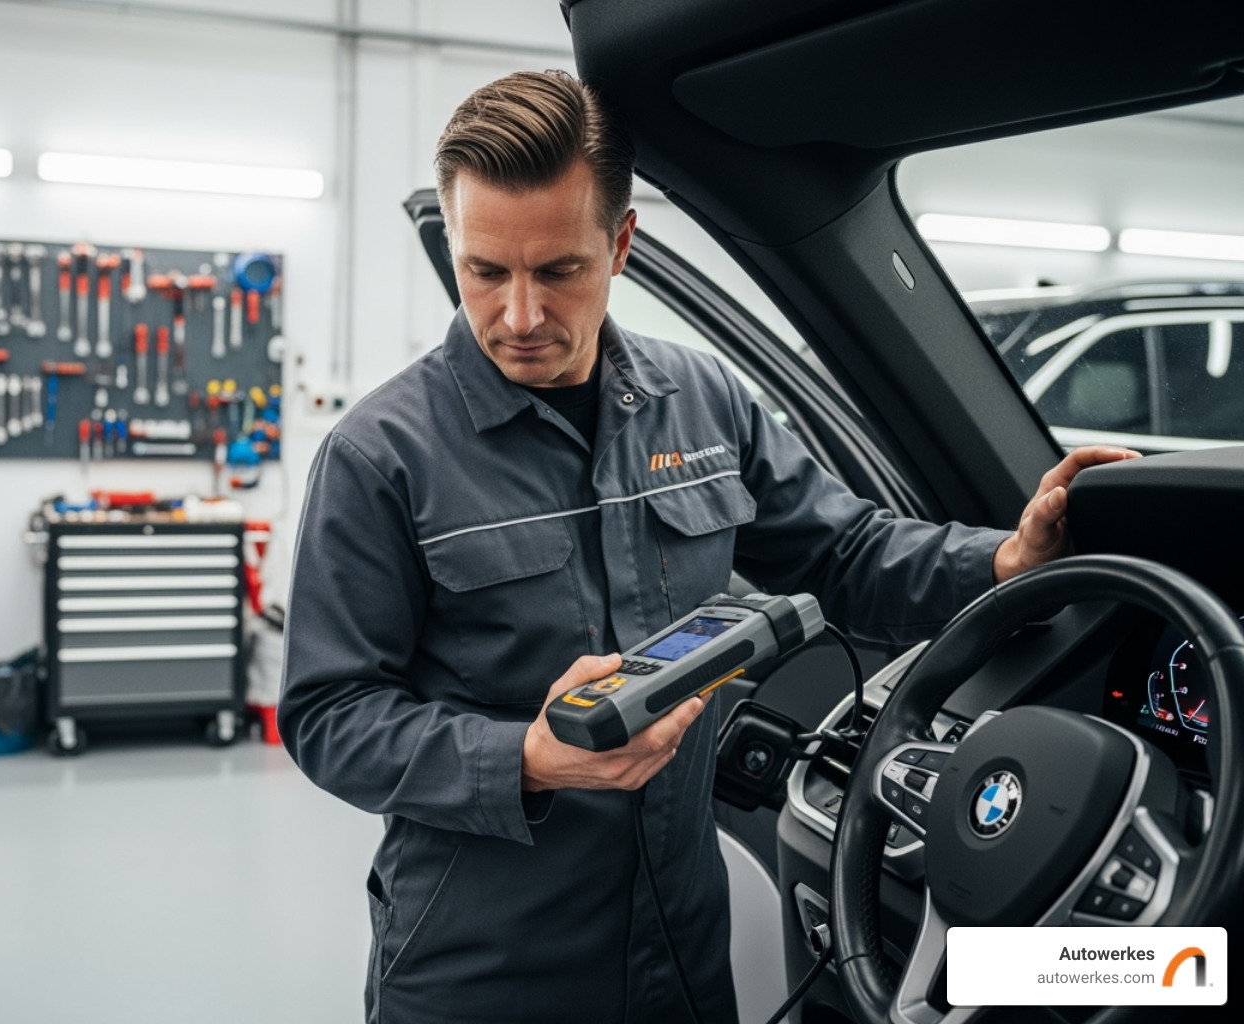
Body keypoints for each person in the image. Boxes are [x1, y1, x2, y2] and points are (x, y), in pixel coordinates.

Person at [279, 70, 1137, 1024]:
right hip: (481, 962)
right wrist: (524, 755)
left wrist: (1003, 564)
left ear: (622, 243)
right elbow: (328, 714)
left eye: (559, 270)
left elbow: (841, 553)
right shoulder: (378, 455)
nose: (520, 315)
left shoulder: (703, 400)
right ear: (455, 248)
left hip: (681, 944)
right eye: (486, 271)